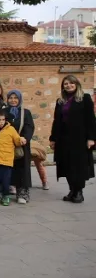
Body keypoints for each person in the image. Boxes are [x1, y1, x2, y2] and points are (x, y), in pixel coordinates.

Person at [50, 75, 96, 203]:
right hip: (63, 139)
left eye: (71, 83)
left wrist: (91, 138)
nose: (68, 85)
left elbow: (91, 119)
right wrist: (53, 138)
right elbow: (56, 121)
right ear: (62, 86)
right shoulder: (60, 101)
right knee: (66, 165)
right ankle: (72, 190)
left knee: (78, 166)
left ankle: (79, 192)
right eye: (66, 84)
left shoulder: (85, 98)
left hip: (80, 139)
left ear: (76, 84)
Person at [7, 90, 35, 204]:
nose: (13, 100)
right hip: (7, 145)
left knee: (22, 169)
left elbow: (29, 127)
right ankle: (5, 192)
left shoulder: (25, 112)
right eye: (11, 97)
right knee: (8, 168)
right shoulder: (4, 111)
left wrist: (24, 138)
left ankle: (23, 193)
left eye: (16, 98)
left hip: (21, 146)